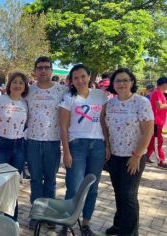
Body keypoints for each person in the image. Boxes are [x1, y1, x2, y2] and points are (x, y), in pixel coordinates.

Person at [102, 68, 154, 236]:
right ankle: (119, 224)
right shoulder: (110, 103)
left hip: (134, 156)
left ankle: (129, 232)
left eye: (125, 80)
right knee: (119, 192)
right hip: (115, 156)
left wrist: (137, 156)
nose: (122, 83)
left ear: (132, 82)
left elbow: (148, 131)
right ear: (113, 84)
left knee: (129, 195)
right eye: (118, 81)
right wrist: (107, 145)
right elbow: (104, 124)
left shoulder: (141, 102)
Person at [59, 64, 108, 236]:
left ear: (89, 77)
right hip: (77, 145)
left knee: (92, 188)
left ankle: (86, 224)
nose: (79, 80)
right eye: (75, 78)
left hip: (98, 146)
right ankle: (66, 223)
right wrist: (66, 151)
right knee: (73, 187)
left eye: (82, 76)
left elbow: (104, 122)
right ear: (71, 81)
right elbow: (63, 127)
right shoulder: (68, 98)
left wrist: (107, 144)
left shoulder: (100, 96)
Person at [25, 56, 68, 228]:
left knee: (50, 180)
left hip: (52, 141)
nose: (43, 70)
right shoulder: (28, 91)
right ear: (35, 71)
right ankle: (36, 214)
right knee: (35, 179)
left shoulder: (62, 91)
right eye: (40, 68)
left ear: (51, 70)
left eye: (47, 67)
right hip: (33, 141)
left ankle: (49, 215)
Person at [0, 71, 29, 223]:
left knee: (13, 184)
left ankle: (10, 220)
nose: (18, 85)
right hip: (1, 144)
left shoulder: (25, 103)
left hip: (19, 146)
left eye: (21, 82)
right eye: (15, 82)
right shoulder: (0, 100)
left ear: (25, 86)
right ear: (9, 85)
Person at [146, 76, 167, 167]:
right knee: (158, 141)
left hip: (158, 121)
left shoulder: (160, 93)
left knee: (152, 141)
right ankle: (161, 160)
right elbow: (160, 106)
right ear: (163, 84)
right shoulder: (157, 93)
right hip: (156, 121)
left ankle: (146, 156)